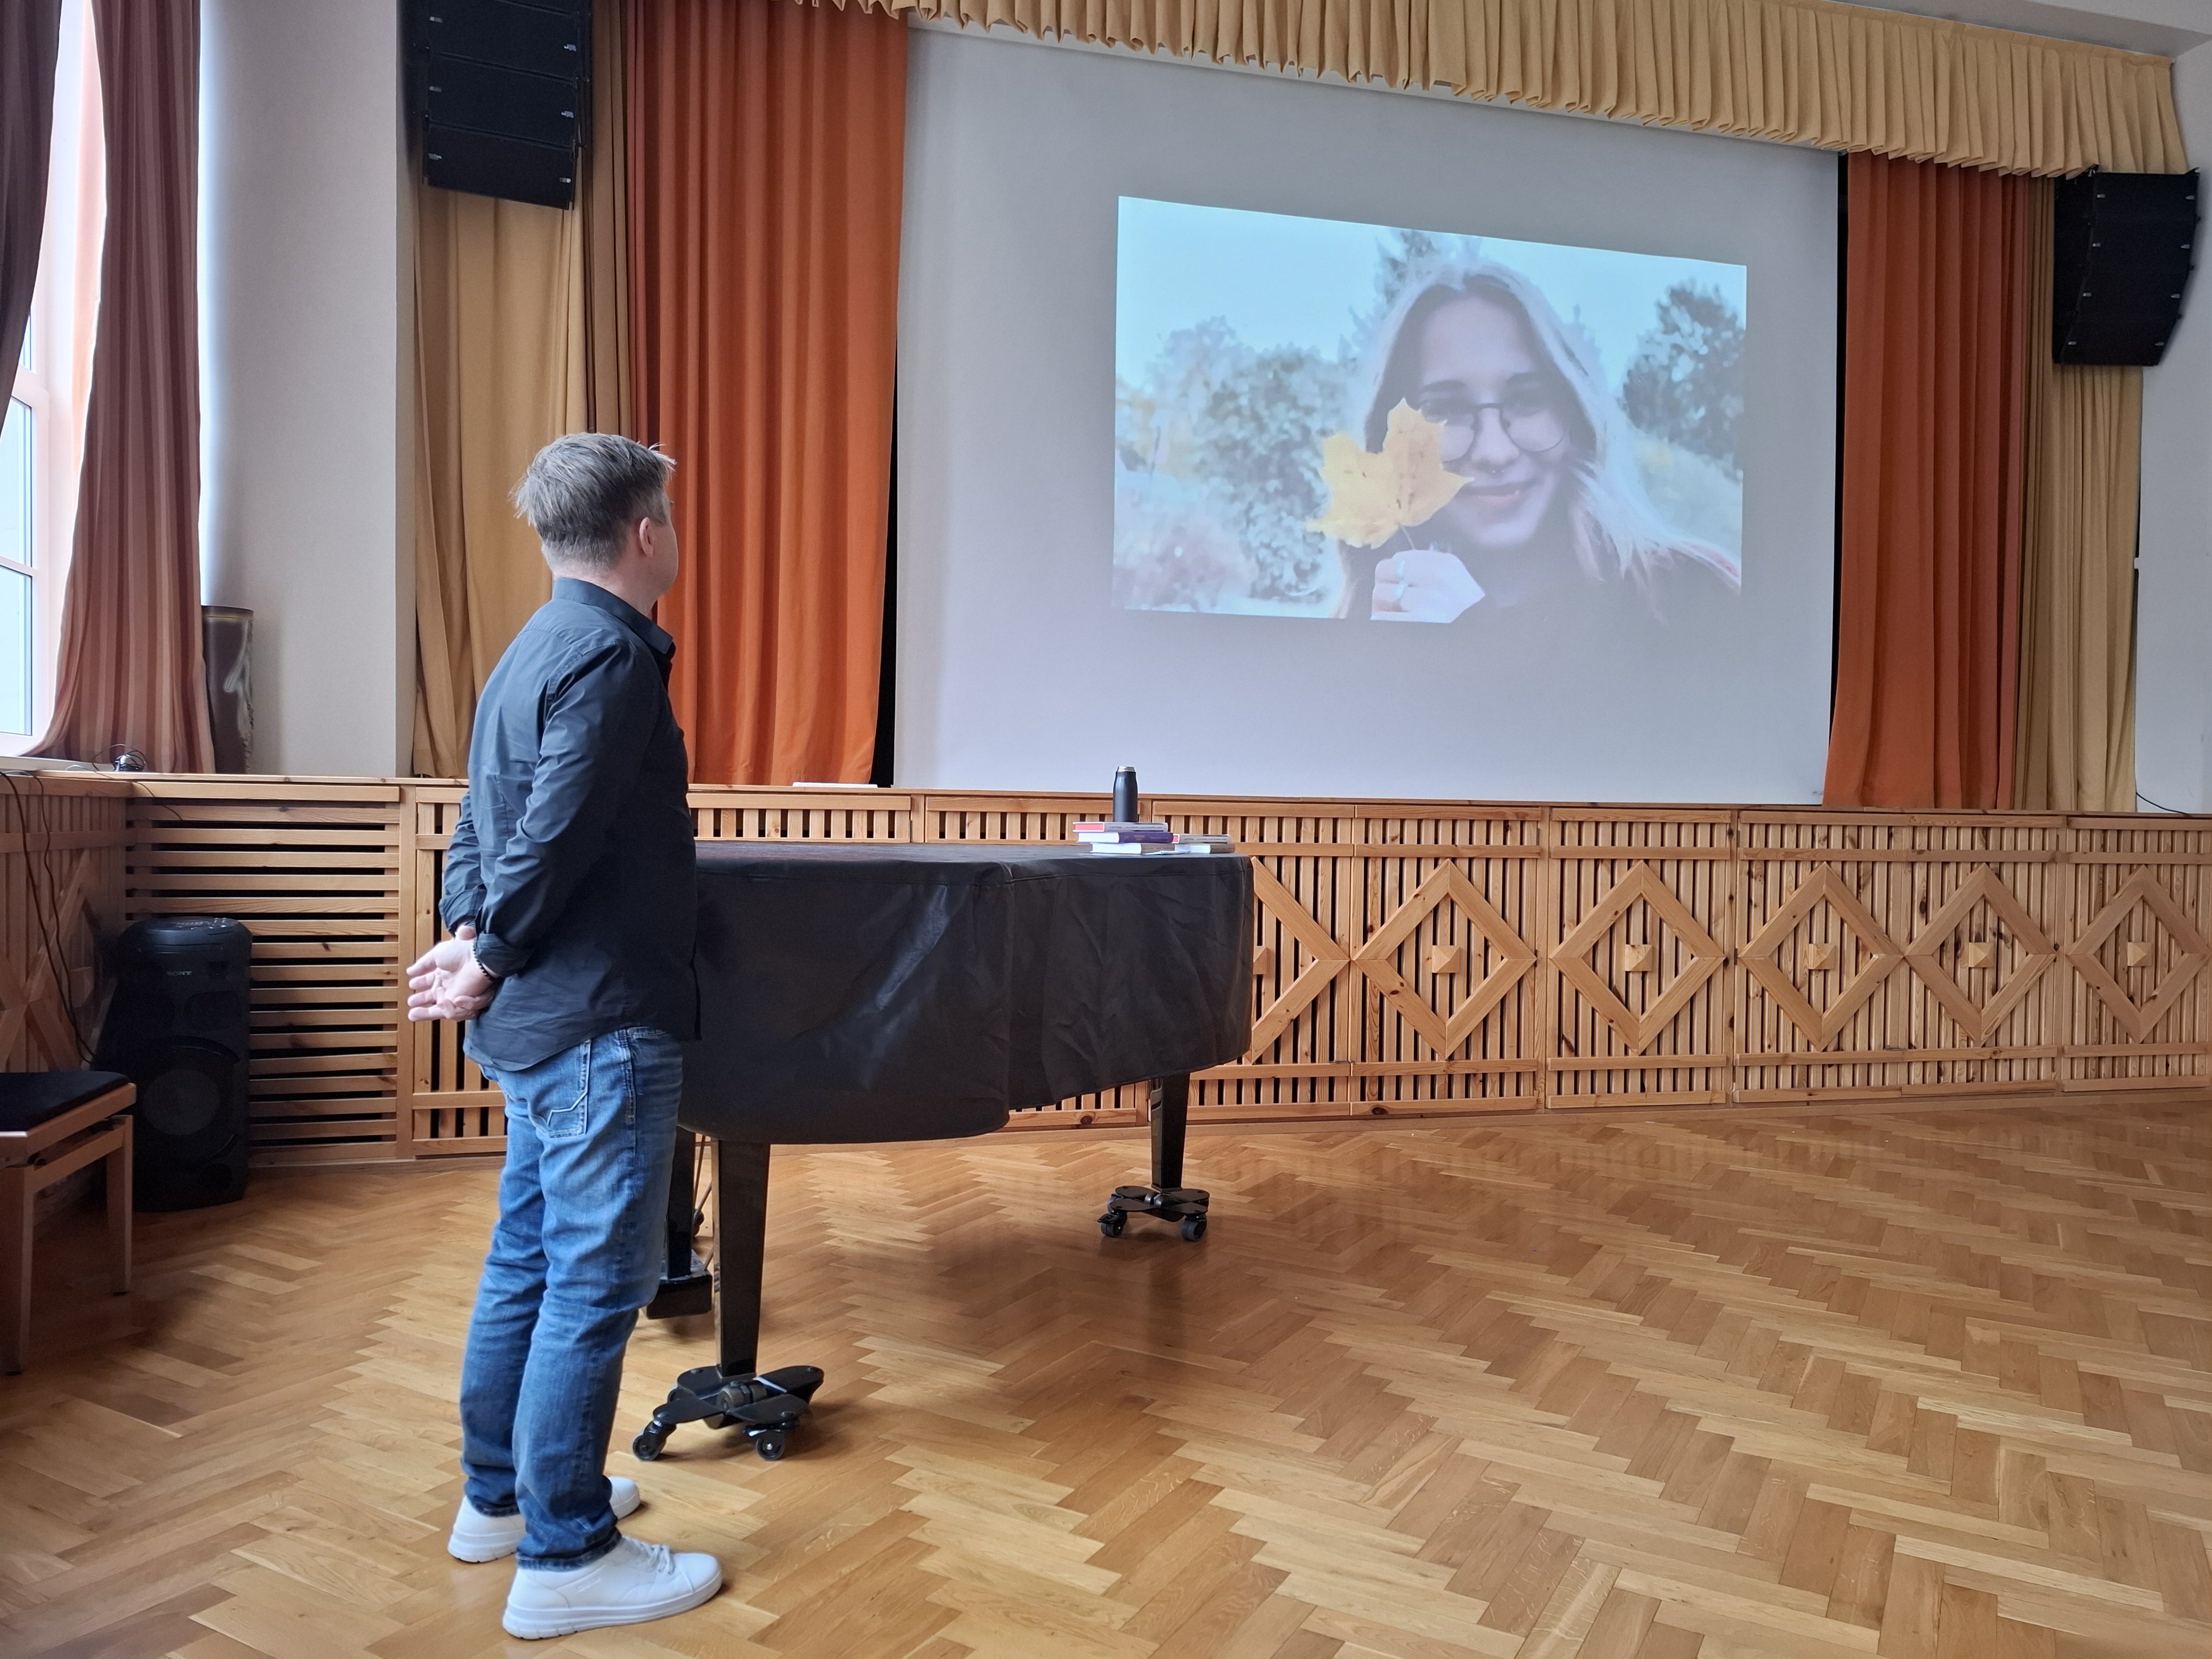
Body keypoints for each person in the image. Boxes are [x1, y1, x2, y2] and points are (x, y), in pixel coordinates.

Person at [405, 433, 719, 1640]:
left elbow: (478, 825)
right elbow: (556, 835)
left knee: (528, 1262)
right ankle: (568, 1552)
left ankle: (501, 1500)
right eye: (670, 517)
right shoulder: (613, 657)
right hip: (597, 1023)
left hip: (542, 1021)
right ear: (646, 532)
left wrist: (469, 933)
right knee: (594, 1282)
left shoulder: (534, 643)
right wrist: (488, 951)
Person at [1339, 259, 1739, 625]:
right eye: (1447, 409)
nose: (1495, 452)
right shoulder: (1364, 626)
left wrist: (1475, 631)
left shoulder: (1692, 596)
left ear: (1576, 416)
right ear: (1391, 445)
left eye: (1526, 400)